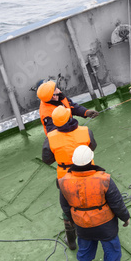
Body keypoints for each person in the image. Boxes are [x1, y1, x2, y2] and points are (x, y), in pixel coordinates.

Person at [59, 145, 130, 261]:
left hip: (82, 225)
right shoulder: (104, 179)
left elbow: (65, 206)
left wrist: (73, 220)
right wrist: (125, 217)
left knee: (85, 250)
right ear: (91, 160)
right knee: (112, 250)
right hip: (105, 224)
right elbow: (116, 203)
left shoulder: (64, 181)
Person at [42, 105, 98, 250]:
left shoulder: (50, 138)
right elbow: (92, 147)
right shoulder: (86, 131)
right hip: (89, 173)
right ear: (70, 118)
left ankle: (72, 240)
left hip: (66, 179)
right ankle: (97, 228)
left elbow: (47, 159)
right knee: (95, 200)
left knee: (67, 208)